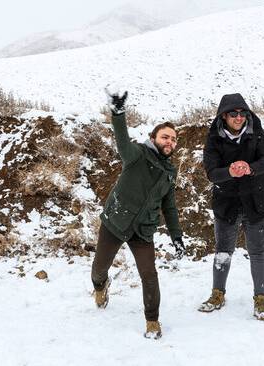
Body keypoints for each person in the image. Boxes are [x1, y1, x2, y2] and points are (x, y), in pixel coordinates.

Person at [91, 88, 185, 339]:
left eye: (174, 139)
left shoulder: (169, 172)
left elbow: (169, 206)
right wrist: (118, 113)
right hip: (116, 221)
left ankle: (152, 320)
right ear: (153, 137)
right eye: (165, 137)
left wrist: (177, 236)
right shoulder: (136, 155)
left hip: (143, 229)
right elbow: (121, 140)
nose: (170, 142)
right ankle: (100, 286)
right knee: (99, 268)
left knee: (149, 276)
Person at [199, 93, 264, 321]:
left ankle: (260, 300)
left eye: (243, 113)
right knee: (223, 252)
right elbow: (211, 172)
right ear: (224, 116)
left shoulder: (256, 132)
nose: (239, 117)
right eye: (234, 113)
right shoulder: (214, 138)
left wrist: (250, 168)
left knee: (258, 253)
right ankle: (217, 294)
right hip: (227, 203)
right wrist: (229, 172)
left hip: (256, 202)